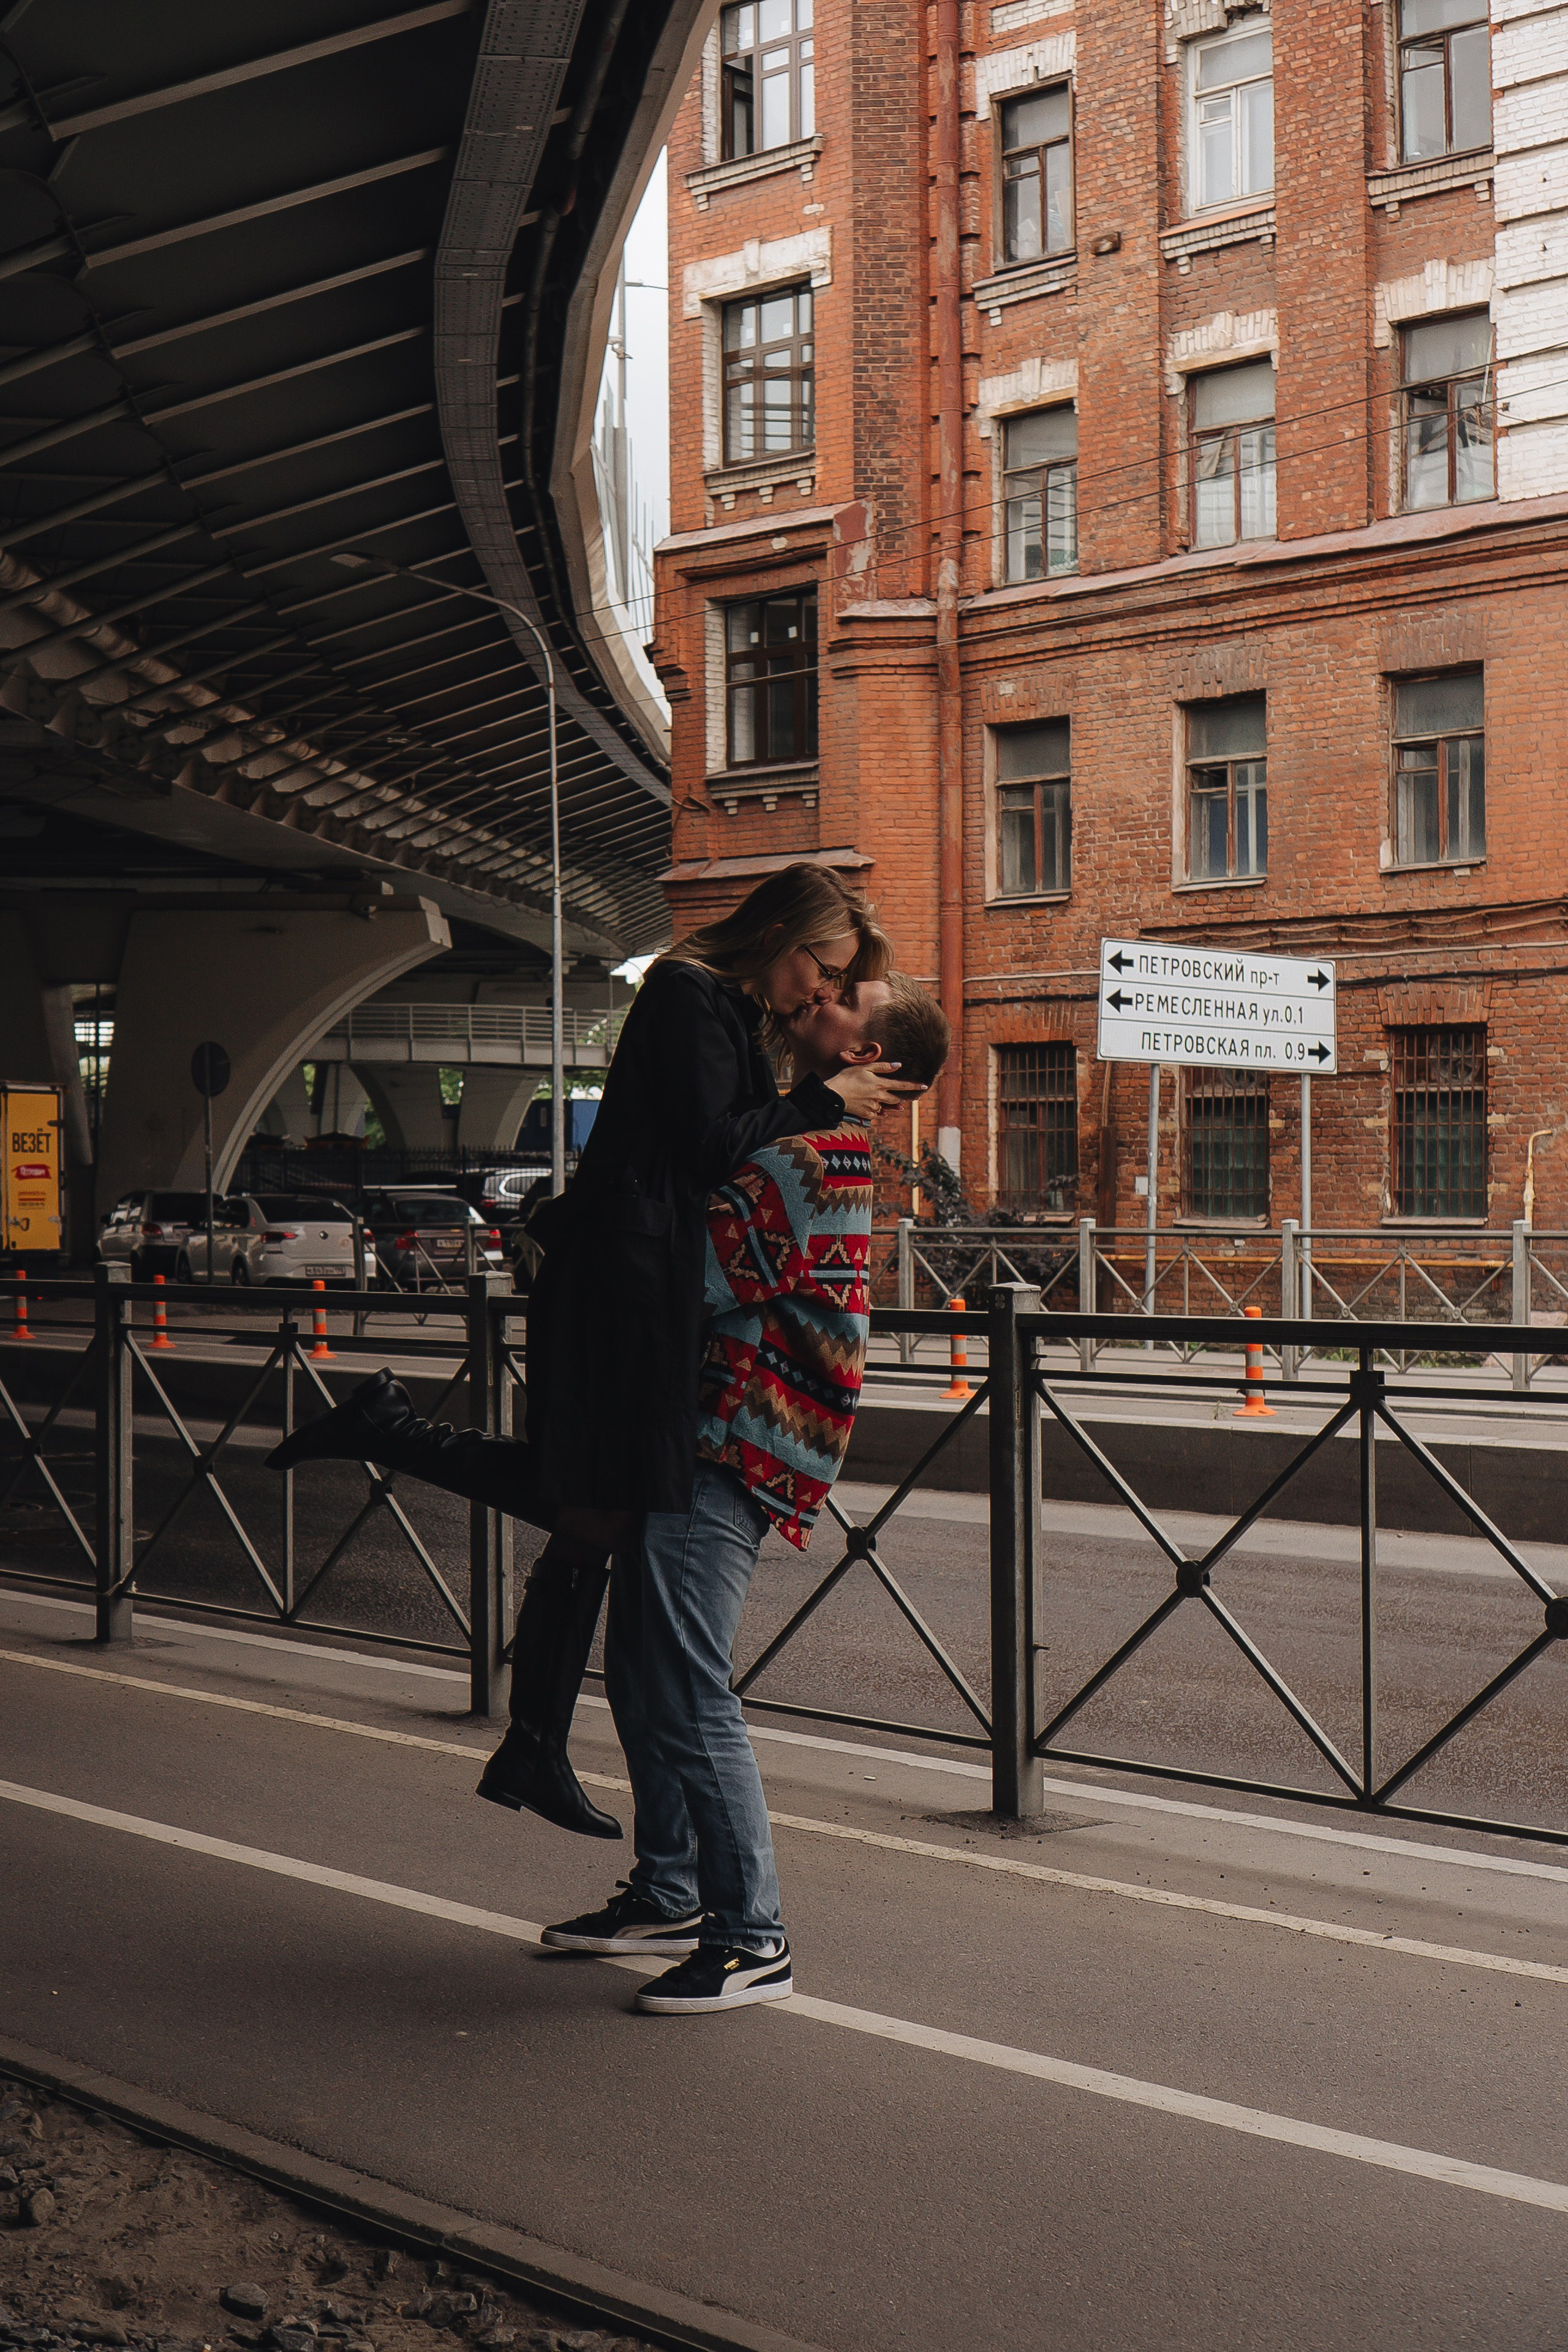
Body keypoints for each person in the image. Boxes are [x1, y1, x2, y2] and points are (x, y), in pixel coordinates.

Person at [266, 865, 920, 1839]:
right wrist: (820, 1097)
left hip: (639, 1286)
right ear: (778, 934)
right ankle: (399, 1450)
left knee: (595, 1509)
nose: (819, 991)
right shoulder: (686, 994)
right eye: (821, 969)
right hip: (627, 1288)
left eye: (835, 984)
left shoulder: (729, 1017)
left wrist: (811, 1099)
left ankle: (532, 1743)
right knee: (600, 1499)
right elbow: (711, 1150)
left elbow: (726, 1151)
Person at [541, 974, 952, 2016]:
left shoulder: (809, 1156)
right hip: (704, 1431)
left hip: (734, 1442)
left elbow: (684, 1275)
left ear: (868, 1055)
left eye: (848, 996)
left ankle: (752, 1934)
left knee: (685, 1685)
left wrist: (592, 1227)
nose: (820, 994)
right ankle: (670, 1888)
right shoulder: (794, 1136)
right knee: (644, 1673)